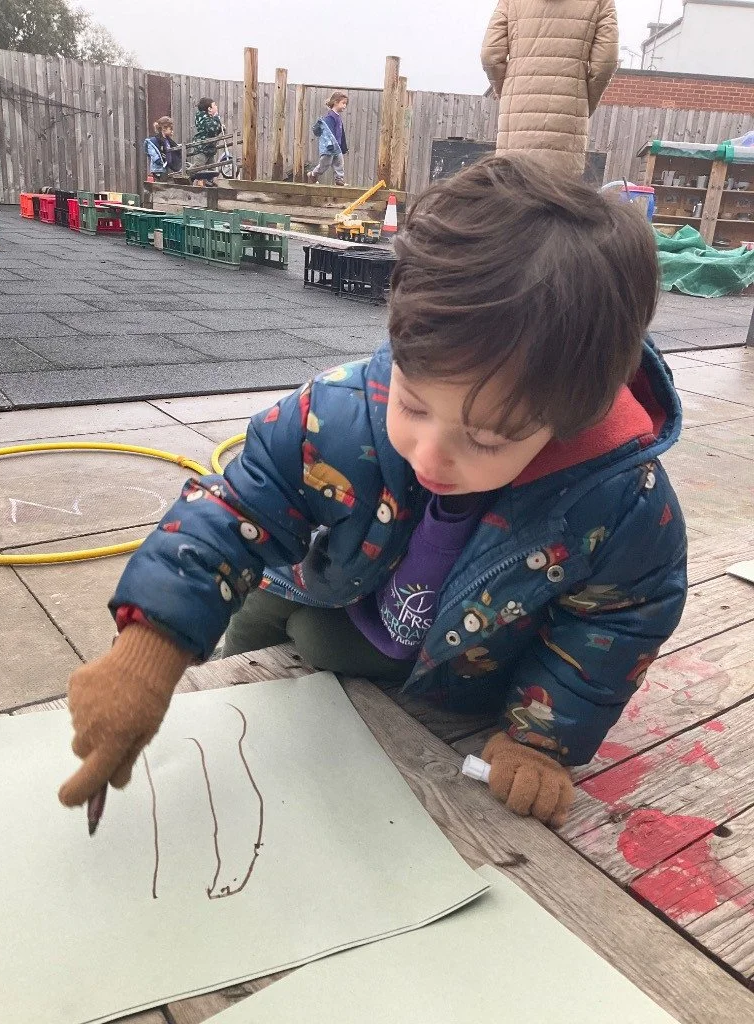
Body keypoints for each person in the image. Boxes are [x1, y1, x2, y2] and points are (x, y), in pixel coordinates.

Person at [57, 156, 687, 829]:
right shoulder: (342, 409)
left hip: (447, 671)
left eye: (487, 439)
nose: (431, 455)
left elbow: (620, 618)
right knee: (244, 698)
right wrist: (149, 653)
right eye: (415, 405)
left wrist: (540, 740)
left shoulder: (618, 503)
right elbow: (239, 506)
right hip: (304, 592)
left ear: (571, 418)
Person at [481, 0, 619, 177]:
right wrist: (582, 104)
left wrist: (510, 95)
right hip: (566, 122)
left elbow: (490, 57)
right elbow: (605, 64)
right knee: (560, 197)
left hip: (517, 126)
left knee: (512, 194)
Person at [307, 91, 349, 185]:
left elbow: (341, 134)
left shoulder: (338, 117)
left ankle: (339, 179)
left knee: (339, 163)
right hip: (329, 147)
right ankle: (313, 174)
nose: (345, 106)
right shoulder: (330, 117)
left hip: (336, 147)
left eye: (345, 104)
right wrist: (330, 145)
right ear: (336, 102)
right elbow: (328, 134)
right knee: (325, 164)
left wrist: (343, 147)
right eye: (343, 103)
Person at [190, 97, 223, 186]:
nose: (216, 107)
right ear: (209, 109)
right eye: (214, 105)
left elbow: (215, 131)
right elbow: (211, 129)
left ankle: (210, 182)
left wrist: (220, 127)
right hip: (202, 148)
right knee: (198, 166)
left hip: (209, 148)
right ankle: (187, 175)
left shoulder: (210, 118)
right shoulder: (203, 117)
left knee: (211, 168)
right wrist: (216, 118)